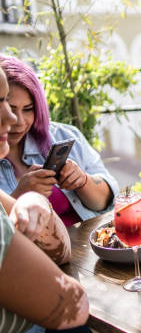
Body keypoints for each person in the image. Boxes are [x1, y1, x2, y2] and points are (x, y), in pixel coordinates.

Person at [0, 66, 90, 332]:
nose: (12, 117)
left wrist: (34, 203)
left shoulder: (60, 135)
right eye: (2, 102)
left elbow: (109, 194)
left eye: (27, 108)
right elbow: (74, 305)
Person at [0, 55, 119, 227]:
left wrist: (83, 181)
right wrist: (19, 196)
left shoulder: (62, 135)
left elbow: (108, 200)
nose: (18, 121)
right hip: (39, 253)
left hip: (90, 244)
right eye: (10, 108)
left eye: (28, 109)